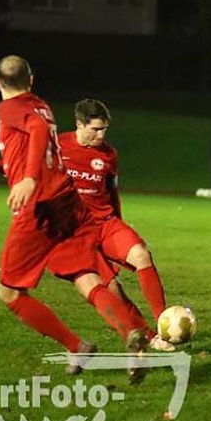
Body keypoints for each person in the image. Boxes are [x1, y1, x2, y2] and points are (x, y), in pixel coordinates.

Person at [0, 56, 147, 381]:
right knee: (85, 277)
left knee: (10, 294)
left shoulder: (9, 108)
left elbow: (36, 133)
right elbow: (33, 147)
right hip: (67, 201)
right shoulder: (42, 106)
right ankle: (130, 333)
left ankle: (77, 346)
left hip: (39, 211)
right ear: (31, 79)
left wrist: (29, 180)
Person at [57, 98, 173, 352]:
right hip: (76, 233)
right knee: (112, 291)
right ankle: (150, 336)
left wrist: (118, 223)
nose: (101, 135)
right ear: (79, 124)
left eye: (104, 129)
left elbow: (112, 193)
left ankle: (166, 323)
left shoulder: (109, 155)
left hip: (106, 223)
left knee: (141, 255)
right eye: (95, 129)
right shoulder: (57, 145)